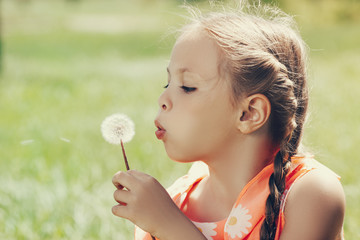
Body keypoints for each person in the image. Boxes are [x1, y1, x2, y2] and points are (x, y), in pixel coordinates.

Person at [111, 3, 345, 240]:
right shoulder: (175, 201)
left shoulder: (310, 193)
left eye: (187, 87)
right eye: (167, 84)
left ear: (249, 113)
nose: (163, 99)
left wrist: (168, 225)